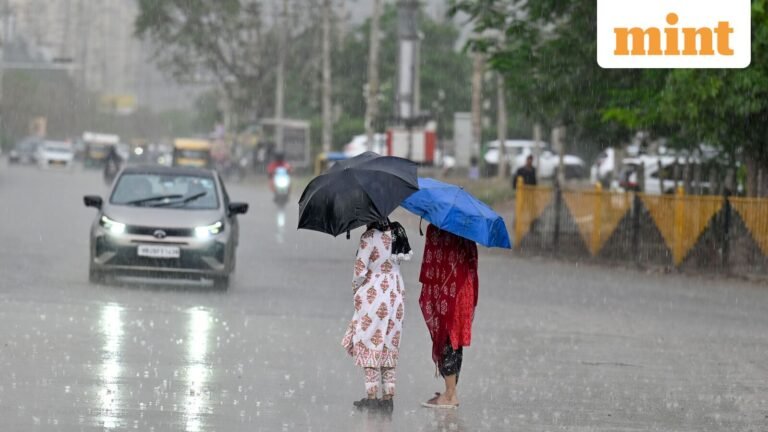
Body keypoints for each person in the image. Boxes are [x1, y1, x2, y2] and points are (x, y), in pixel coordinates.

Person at [342, 220, 412, 412]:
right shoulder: (398, 232)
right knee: (389, 343)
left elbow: (359, 271)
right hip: (396, 294)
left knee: (369, 342)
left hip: (374, 294)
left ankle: (371, 396)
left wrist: (356, 292)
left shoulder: (369, 237)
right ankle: (388, 397)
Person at [419, 224, 479, 409]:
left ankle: (450, 395)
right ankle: (450, 390)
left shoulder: (436, 229)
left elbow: (431, 263)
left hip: (449, 291)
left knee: (447, 339)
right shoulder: (468, 228)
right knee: (455, 340)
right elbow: (472, 260)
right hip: (464, 287)